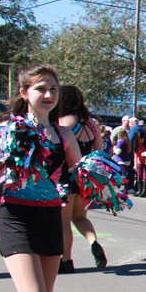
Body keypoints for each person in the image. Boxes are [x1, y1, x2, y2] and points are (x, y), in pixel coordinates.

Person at [0, 64, 82, 292]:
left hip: (49, 217)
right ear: (24, 93)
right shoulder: (8, 130)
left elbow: (78, 173)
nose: (48, 95)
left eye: (53, 89)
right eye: (40, 89)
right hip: (15, 216)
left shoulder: (64, 134)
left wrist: (99, 177)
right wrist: (7, 163)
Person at [57, 85, 107, 272]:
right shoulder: (92, 124)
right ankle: (93, 242)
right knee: (80, 217)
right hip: (86, 178)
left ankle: (66, 261)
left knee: (63, 222)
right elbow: (100, 152)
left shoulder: (63, 122)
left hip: (66, 175)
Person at [112, 127, 133, 193]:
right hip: (127, 160)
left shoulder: (120, 142)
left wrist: (114, 149)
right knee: (125, 175)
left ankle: (122, 189)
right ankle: (125, 188)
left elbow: (118, 152)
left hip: (121, 160)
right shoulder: (127, 141)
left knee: (121, 175)